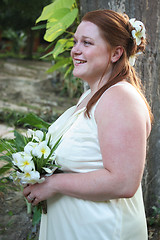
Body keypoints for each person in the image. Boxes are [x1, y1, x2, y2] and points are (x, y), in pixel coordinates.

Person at [23, 9, 153, 240]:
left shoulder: (120, 98)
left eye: (87, 42)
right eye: (75, 42)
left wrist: (54, 184)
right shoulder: (90, 97)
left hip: (102, 230)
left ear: (116, 53)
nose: (75, 50)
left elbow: (123, 182)